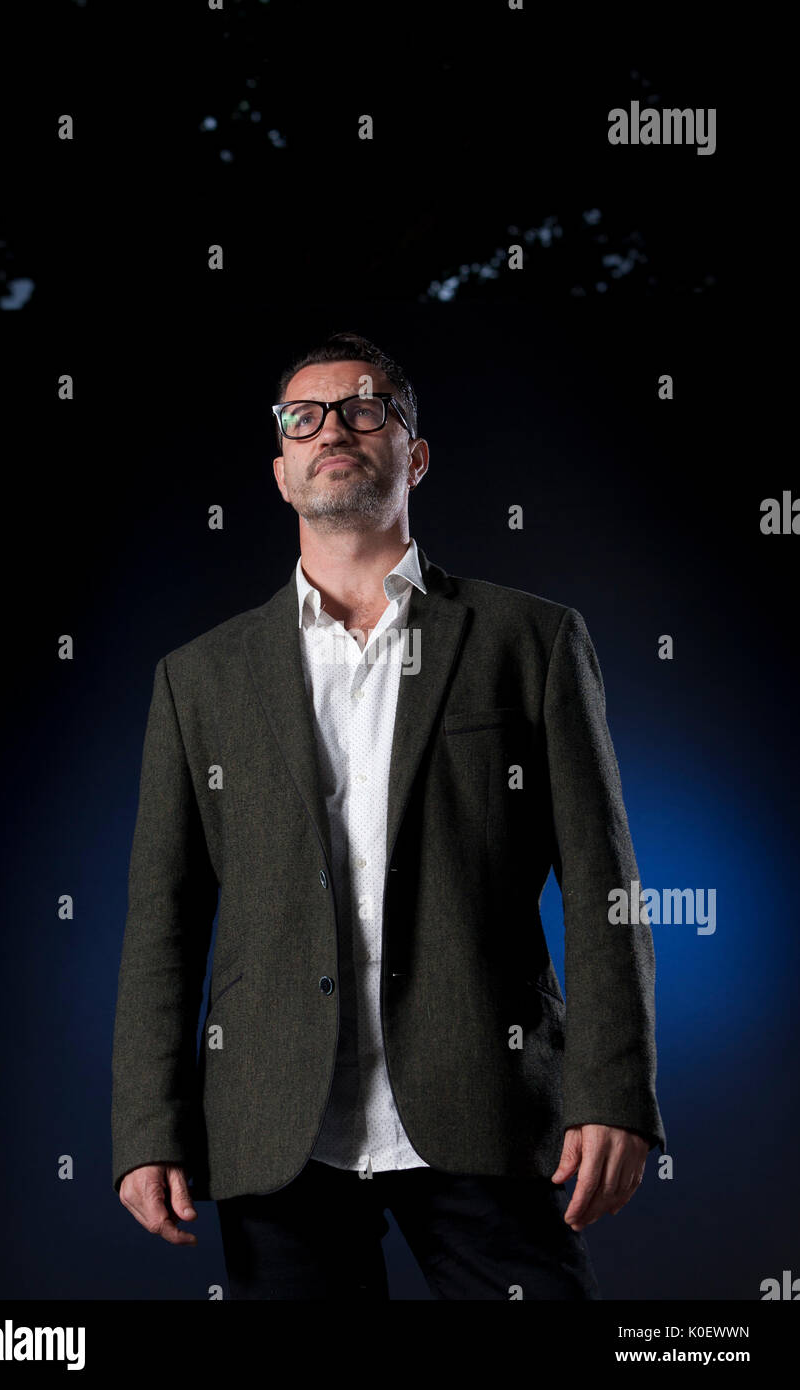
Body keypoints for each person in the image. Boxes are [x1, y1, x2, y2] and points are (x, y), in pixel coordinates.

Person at [112, 331, 665, 1300]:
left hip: (485, 1102)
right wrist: (146, 1127)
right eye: (303, 416)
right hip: (273, 1124)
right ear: (280, 470)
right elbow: (164, 916)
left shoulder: (527, 639)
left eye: (364, 408)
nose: (332, 427)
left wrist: (611, 1091)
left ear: (411, 453)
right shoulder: (197, 678)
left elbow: (602, 883)